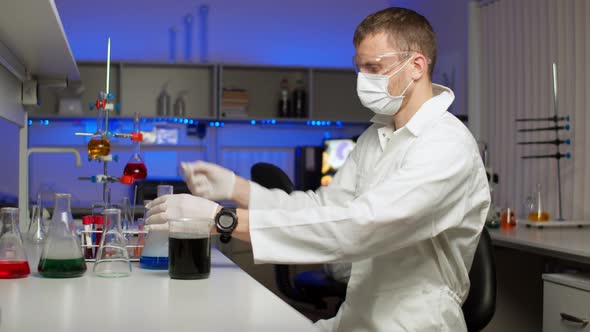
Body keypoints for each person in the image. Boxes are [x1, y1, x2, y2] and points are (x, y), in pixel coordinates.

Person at [146, 7, 490, 331]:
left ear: (416, 66)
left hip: (414, 324)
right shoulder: (377, 136)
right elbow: (325, 208)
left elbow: (362, 225)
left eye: (373, 67)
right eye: (359, 66)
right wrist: (236, 187)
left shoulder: (446, 145)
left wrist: (224, 218)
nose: (362, 78)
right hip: (355, 318)